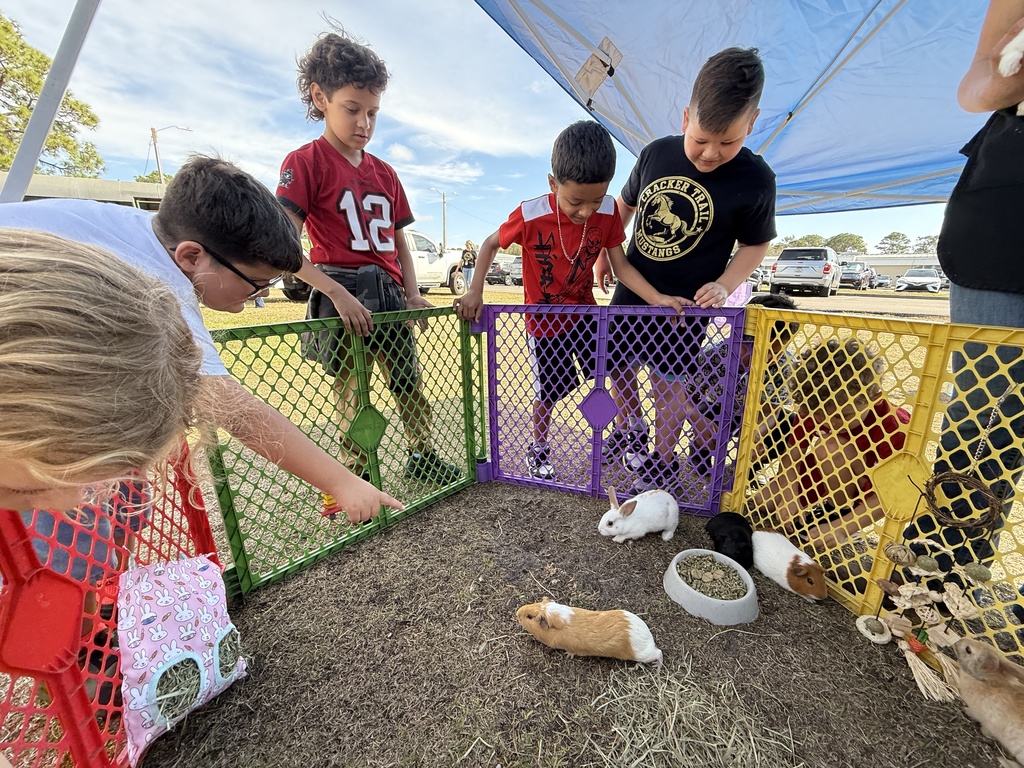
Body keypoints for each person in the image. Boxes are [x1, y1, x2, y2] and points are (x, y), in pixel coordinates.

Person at [0, 156, 403, 525]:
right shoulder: (157, 278)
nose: (254, 300)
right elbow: (229, 406)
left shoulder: (112, 225)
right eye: (255, 285)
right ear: (193, 257)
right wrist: (342, 482)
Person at [276, 31, 461, 487]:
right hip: (339, 290)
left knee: (409, 385)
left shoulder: (386, 172)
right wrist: (335, 293)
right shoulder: (305, 162)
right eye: (352, 109)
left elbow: (401, 241)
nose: (364, 122)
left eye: (373, 112)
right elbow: (282, 244)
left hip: (388, 292)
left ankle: (423, 454)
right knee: (351, 396)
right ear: (320, 97)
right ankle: (357, 476)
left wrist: (413, 293)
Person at [456, 121, 686, 479]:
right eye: (575, 201)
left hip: (586, 316)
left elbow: (620, 265)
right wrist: (476, 290)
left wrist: (656, 297)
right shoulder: (531, 214)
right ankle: (539, 448)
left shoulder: (608, 212)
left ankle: (633, 433)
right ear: (553, 184)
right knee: (548, 391)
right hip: (544, 325)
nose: (585, 211)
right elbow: (488, 244)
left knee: (616, 368)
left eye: (595, 200)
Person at [595, 47, 777, 494]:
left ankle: (662, 458)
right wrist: (604, 251)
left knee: (670, 384)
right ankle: (631, 425)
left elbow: (756, 244)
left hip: (687, 305)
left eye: (728, 142)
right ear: (684, 119)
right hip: (633, 287)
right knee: (616, 366)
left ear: (751, 124)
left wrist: (724, 283)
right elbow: (624, 205)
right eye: (700, 139)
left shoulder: (757, 178)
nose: (711, 153)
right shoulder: (656, 154)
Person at [744, 337, 911, 551]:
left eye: (844, 416)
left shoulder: (893, 424)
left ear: (873, 397)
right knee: (763, 502)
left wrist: (843, 526)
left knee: (832, 447)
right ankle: (818, 510)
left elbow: (895, 492)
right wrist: (789, 493)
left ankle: (836, 514)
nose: (832, 423)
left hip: (865, 489)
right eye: (822, 417)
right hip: (824, 474)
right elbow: (794, 451)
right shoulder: (818, 402)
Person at [684, 293, 800, 476]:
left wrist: (757, 432)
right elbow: (685, 397)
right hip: (718, 409)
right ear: (743, 336)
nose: (768, 358)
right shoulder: (713, 354)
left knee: (790, 424)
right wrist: (698, 420)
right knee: (706, 413)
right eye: (761, 348)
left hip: (755, 414)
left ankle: (746, 470)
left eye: (777, 351)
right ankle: (700, 454)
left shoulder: (785, 364)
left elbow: (772, 410)